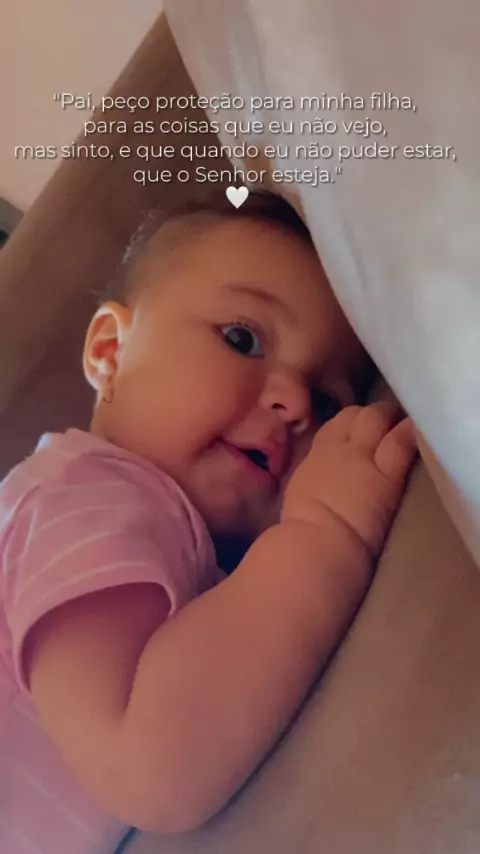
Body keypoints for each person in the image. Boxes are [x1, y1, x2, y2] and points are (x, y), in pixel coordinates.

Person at [0, 191, 415, 853]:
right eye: (242, 339)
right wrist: (324, 533)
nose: (295, 401)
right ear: (110, 352)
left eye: (329, 400)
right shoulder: (86, 497)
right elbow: (147, 764)